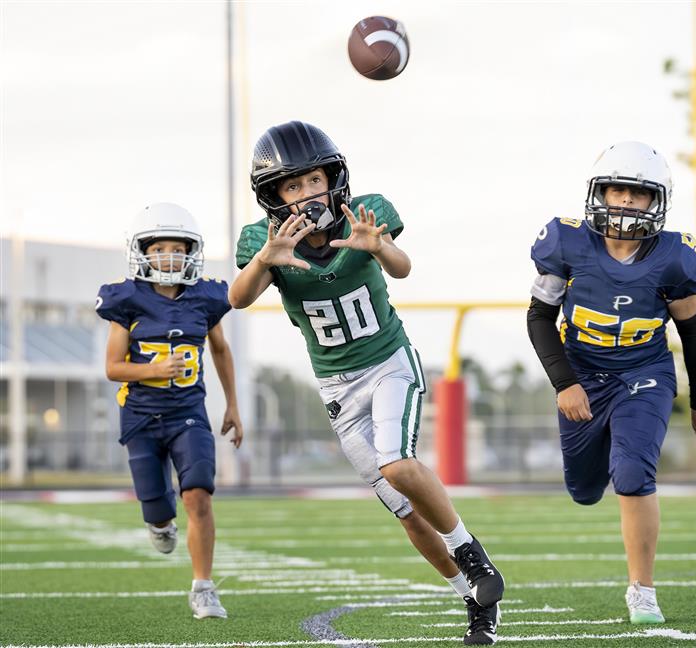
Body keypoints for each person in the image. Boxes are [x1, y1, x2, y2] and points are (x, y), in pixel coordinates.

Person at [229, 121, 504, 645]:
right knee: (405, 513)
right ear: (273, 197)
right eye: (292, 186)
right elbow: (239, 299)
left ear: (333, 178)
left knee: (396, 463)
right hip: (336, 386)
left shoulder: (364, 215)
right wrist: (266, 259)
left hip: (387, 363)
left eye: (314, 181)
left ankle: (472, 552)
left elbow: (401, 268)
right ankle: (471, 598)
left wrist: (377, 247)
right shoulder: (265, 242)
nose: (307, 194)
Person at [527, 141, 696, 624]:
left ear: (656, 202)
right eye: (618, 190)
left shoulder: (674, 259)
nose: (626, 202)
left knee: (634, 474)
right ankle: (606, 453)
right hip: (583, 374)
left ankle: (642, 590)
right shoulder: (566, 243)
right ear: (600, 192)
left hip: (645, 373)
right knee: (584, 489)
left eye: (639, 194)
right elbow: (538, 319)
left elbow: (694, 333)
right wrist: (565, 383)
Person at [96, 202, 244, 620]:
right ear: (143, 252)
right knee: (159, 515)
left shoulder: (205, 297)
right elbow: (112, 368)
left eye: (177, 249)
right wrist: (154, 369)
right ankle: (160, 522)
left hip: (187, 412)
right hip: (141, 415)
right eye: (160, 248)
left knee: (198, 494)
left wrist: (232, 403)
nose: (169, 257)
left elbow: (219, 348)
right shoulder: (126, 299)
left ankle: (203, 587)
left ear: (190, 252)